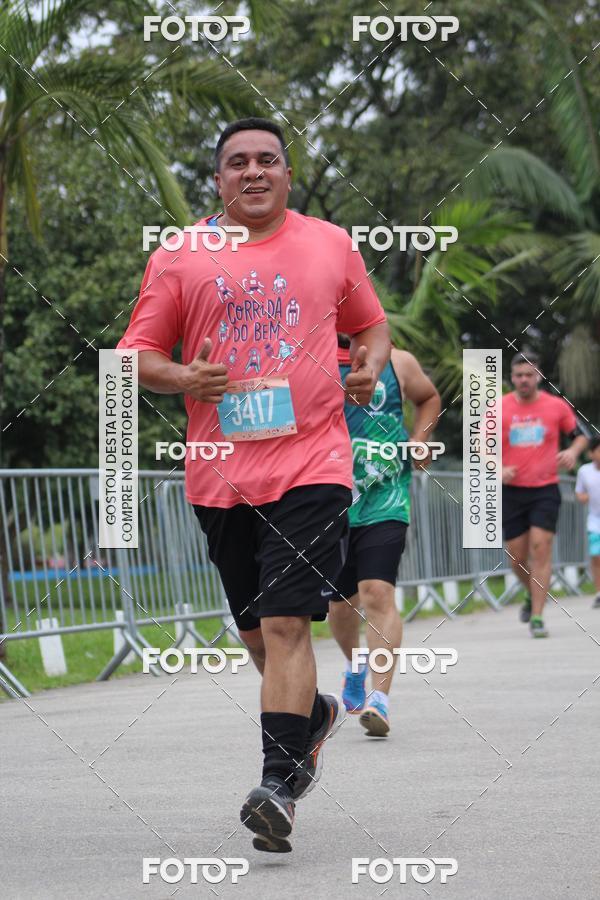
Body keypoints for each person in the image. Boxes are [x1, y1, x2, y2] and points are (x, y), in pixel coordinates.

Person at [117, 117, 391, 852]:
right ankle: (317, 716)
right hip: (221, 475)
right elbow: (133, 356)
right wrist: (183, 376)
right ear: (219, 180)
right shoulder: (181, 255)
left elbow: (372, 326)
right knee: (258, 639)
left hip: (313, 465)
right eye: (237, 162)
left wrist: (367, 365)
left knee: (285, 624)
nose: (254, 172)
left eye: (268, 159)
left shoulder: (331, 243)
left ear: (288, 174)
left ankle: (278, 783)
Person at [328, 335, 441, 736]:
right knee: (340, 607)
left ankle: (380, 699)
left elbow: (429, 398)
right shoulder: (311, 359)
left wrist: (420, 440)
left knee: (377, 592)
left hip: (386, 497)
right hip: (329, 500)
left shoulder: (398, 362)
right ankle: (356, 663)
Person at [502, 352, 588, 638]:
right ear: (512, 378)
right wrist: (497, 467)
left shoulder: (556, 406)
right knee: (516, 559)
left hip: (545, 489)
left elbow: (581, 434)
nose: (524, 380)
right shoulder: (498, 409)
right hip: (512, 491)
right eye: (519, 375)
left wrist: (572, 452)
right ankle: (532, 594)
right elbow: (479, 447)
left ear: (538, 376)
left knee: (541, 549)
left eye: (529, 374)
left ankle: (537, 617)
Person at [575, 436, 600, 608]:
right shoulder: (584, 471)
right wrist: (584, 497)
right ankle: (599, 592)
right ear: (591, 453)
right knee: (596, 556)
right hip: (595, 520)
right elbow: (579, 492)